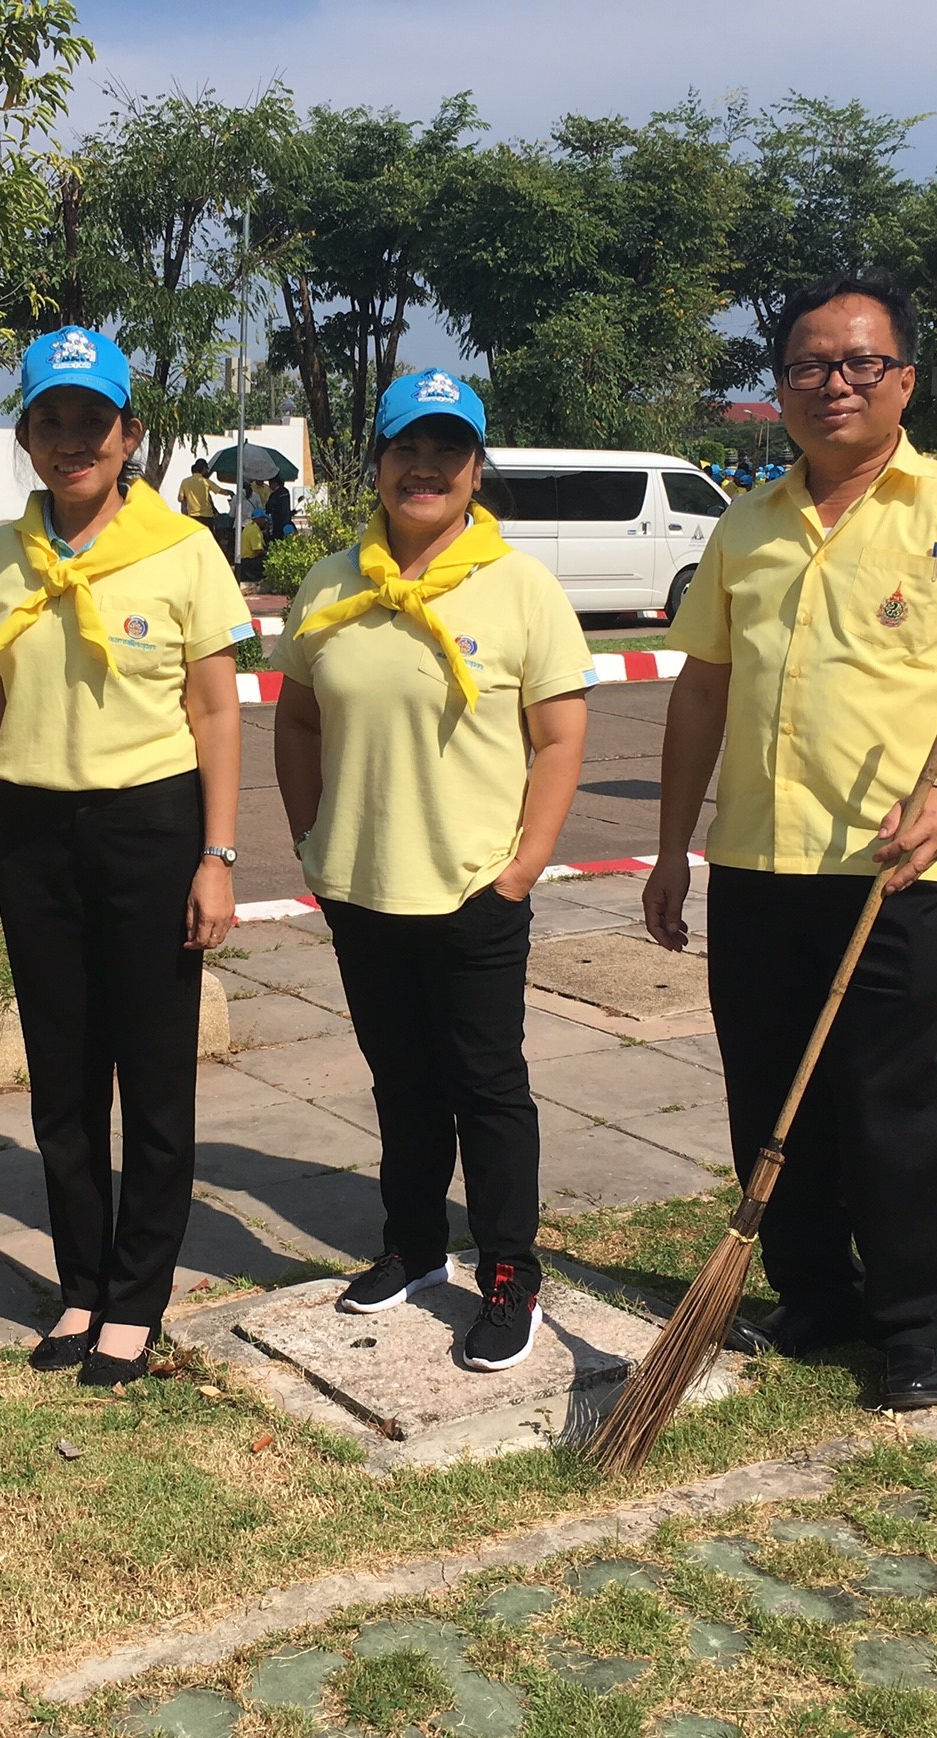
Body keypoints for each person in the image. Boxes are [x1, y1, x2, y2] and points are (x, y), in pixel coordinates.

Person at [644, 274, 937, 1411]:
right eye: (806, 365)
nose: (832, 383)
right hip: (756, 861)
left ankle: (915, 1325)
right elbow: (702, 691)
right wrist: (670, 847)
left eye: (858, 364)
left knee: (888, 1109)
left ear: (904, 381)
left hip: (895, 865)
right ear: (780, 385)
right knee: (766, 1096)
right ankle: (814, 1295)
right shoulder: (747, 524)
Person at [272, 369, 594, 1372]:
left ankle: (508, 1271)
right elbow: (297, 716)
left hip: (471, 889)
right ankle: (412, 1246)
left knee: (487, 1087)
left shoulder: (521, 588)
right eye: (407, 447)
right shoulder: (331, 583)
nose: (425, 467)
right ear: (376, 460)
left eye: (448, 451)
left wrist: (524, 862)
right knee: (401, 1084)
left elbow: (559, 736)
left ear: (475, 469)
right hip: (363, 886)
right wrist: (312, 837)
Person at [0, 327, 249, 1387]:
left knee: (154, 1076)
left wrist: (216, 854)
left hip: (152, 830)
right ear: (27, 433)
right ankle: (80, 1283)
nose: (72, 439)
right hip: (35, 836)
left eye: (93, 419)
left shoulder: (182, 551)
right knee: (64, 1085)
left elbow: (216, 712)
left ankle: (138, 1295)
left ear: (130, 433)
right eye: (51, 418)